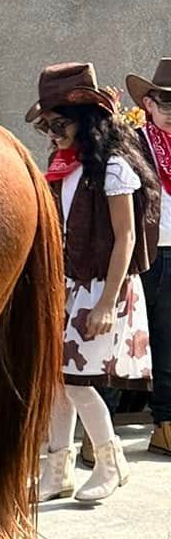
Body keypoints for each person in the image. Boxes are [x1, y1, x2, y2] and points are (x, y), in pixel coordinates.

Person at [29, 63, 156, 506]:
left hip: (104, 285)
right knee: (56, 381)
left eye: (58, 124)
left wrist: (105, 303)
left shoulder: (115, 166)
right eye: (47, 125)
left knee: (79, 382)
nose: (51, 134)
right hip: (66, 282)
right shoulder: (63, 166)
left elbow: (127, 237)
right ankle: (56, 469)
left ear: (87, 120)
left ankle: (110, 462)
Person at [123, 56, 171, 458]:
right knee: (126, 341)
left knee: (169, 343)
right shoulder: (133, 142)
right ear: (150, 103)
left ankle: (166, 424)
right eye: (166, 103)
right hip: (142, 254)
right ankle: (97, 430)